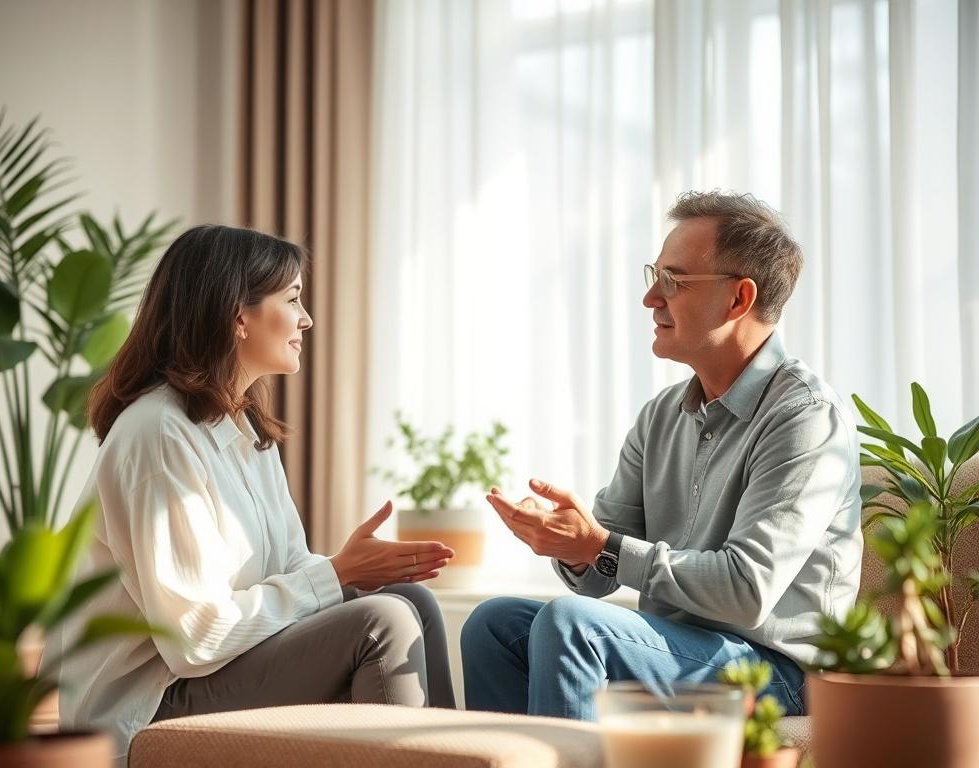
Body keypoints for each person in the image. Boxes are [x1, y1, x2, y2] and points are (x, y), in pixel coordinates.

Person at [53, 225, 456, 763]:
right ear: (238, 315)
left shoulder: (245, 432)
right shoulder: (156, 434)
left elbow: (287, 569)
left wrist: (351, 572)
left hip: (211, 676)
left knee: (412, 603)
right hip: (145, 709)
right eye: (292, 299)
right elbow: (195, 639)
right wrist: (336, 574)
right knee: (382, 624)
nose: (306, 319)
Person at [460, 191, 863, 720]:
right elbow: (601, 569)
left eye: (673, 281)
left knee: (571, 625)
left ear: (739, 299)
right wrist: (571, 543)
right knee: (493, 624)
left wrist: (601, 544)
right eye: (655, 276)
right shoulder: (662, 416)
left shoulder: (805, 416)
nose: (651, 298)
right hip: (677, 650)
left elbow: (746, 590)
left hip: (778, 673)